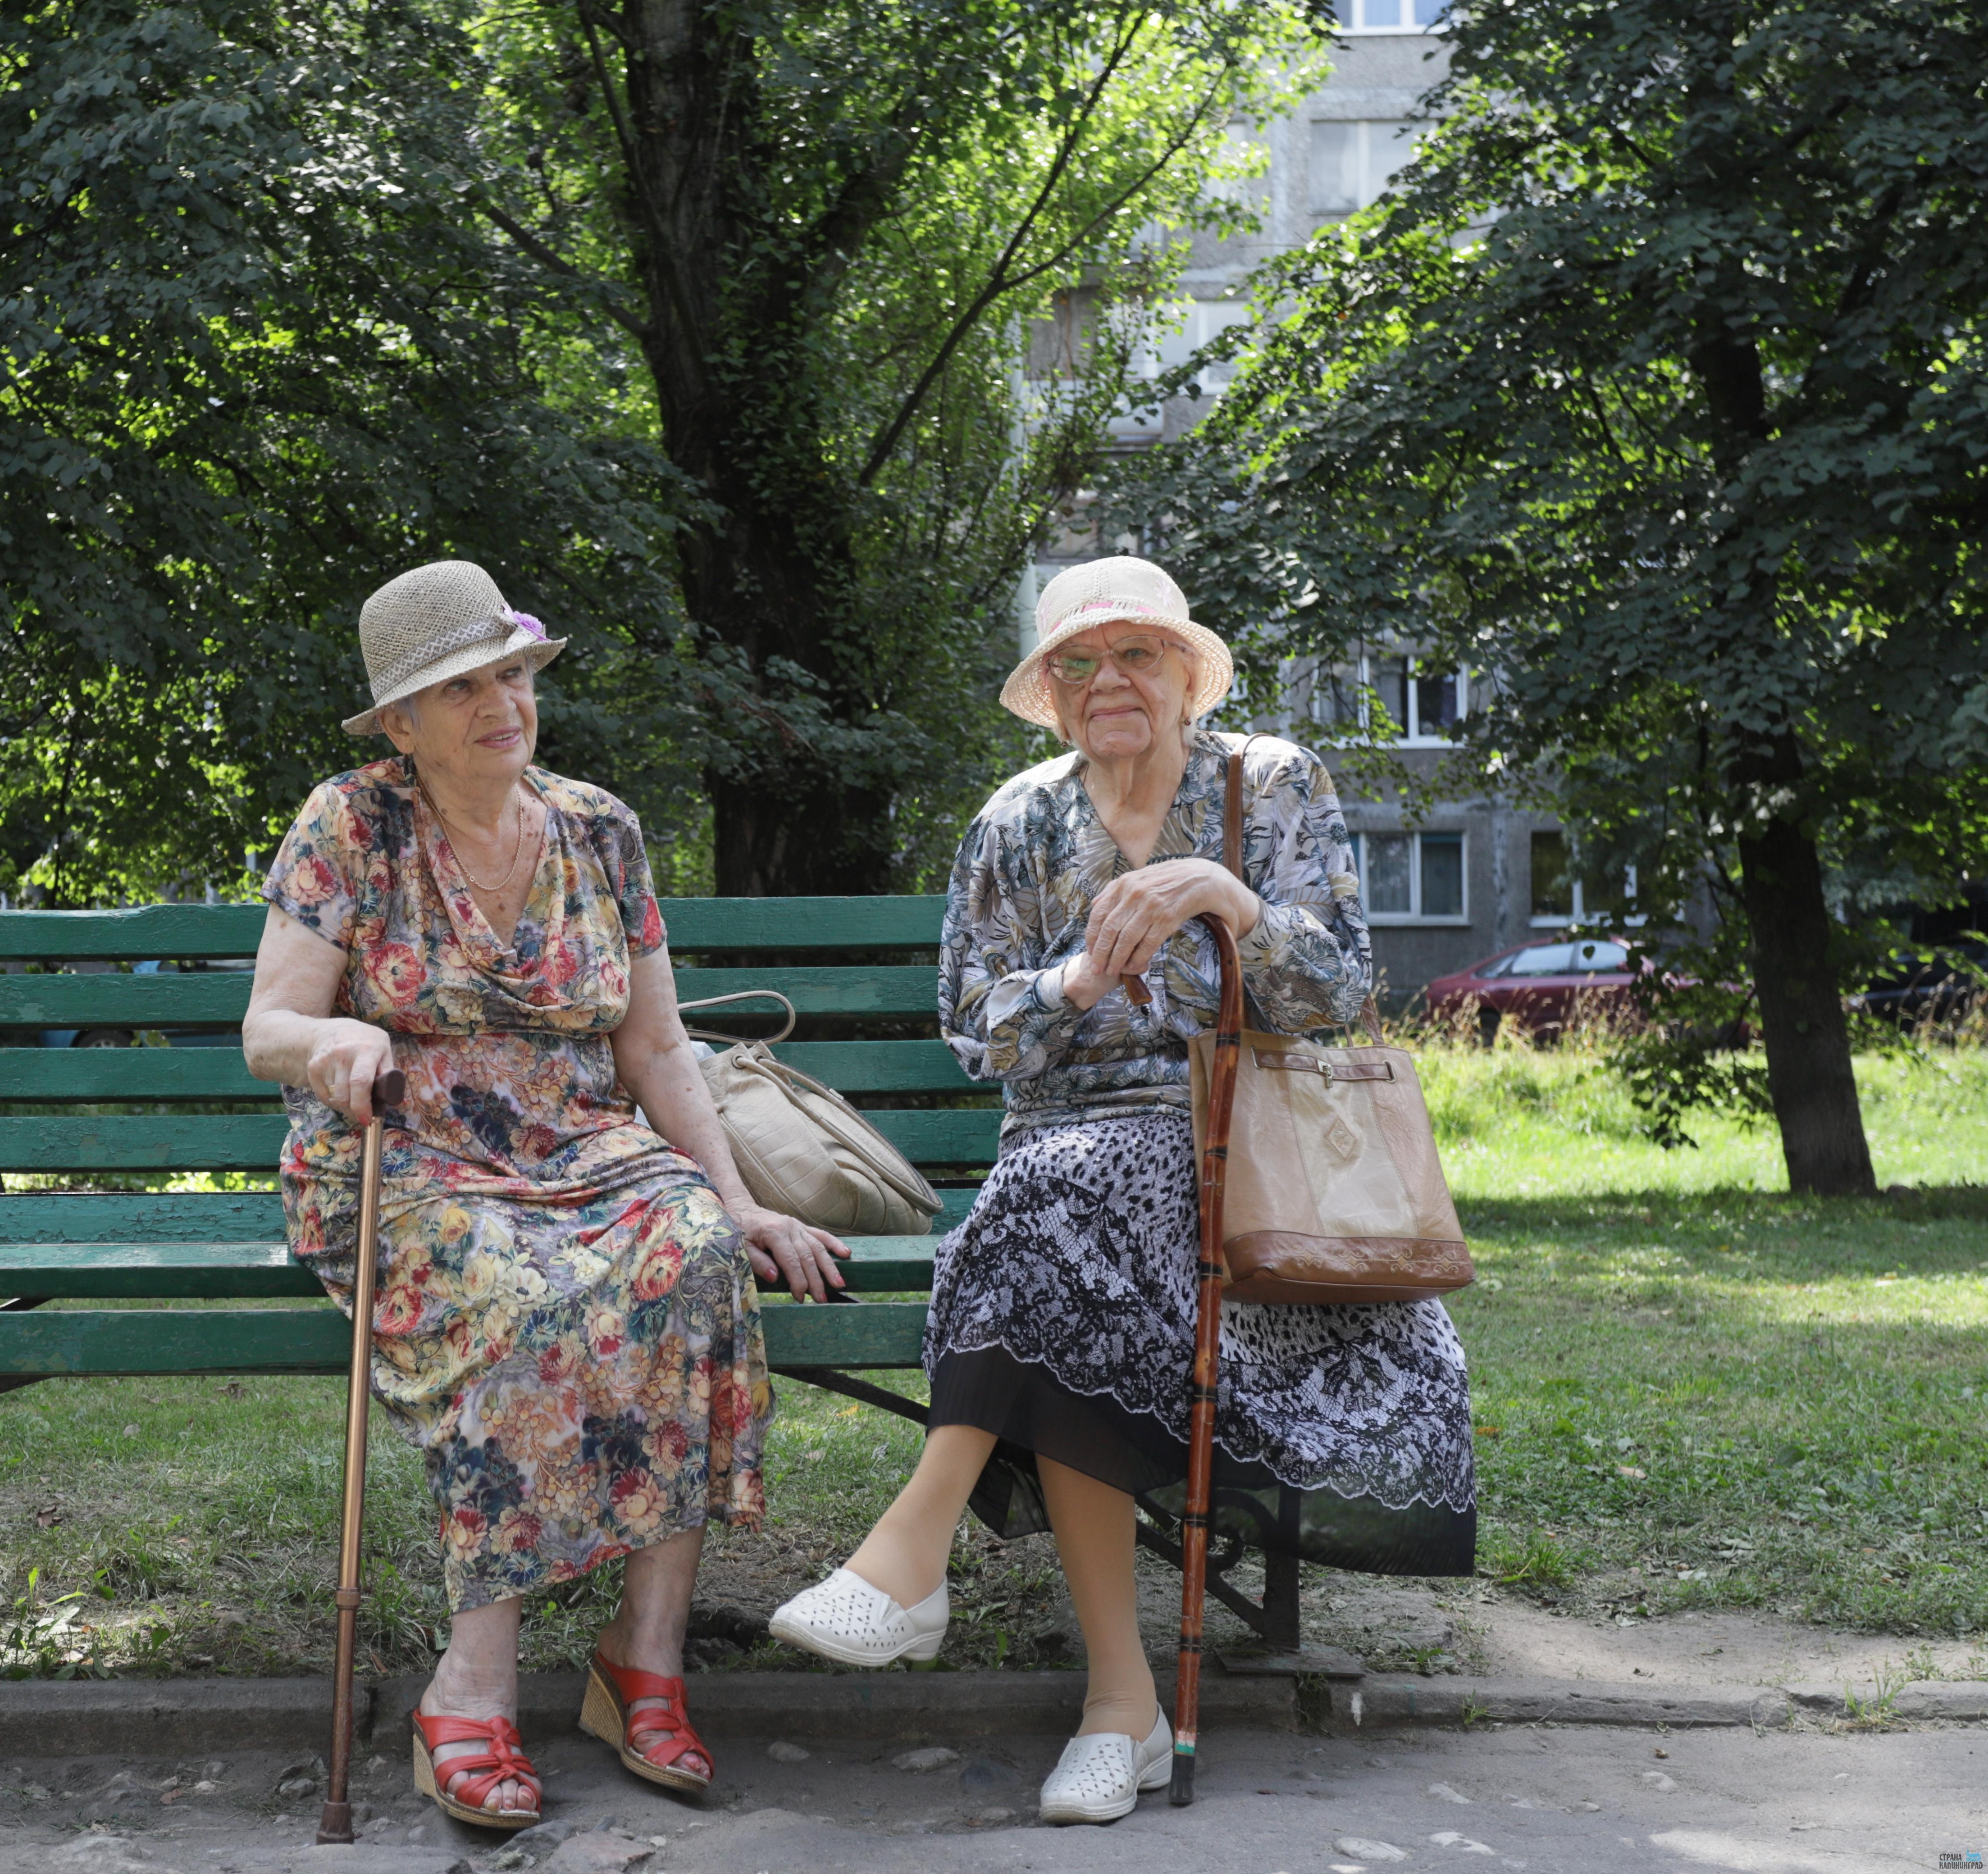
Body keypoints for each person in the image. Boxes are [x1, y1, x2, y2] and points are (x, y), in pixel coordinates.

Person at [767, 557, 1475, 1825]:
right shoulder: (1018, 824)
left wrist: (1225, 895)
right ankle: (1115, 1702)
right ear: (1048, 691)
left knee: (1040, 1232)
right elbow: (975, 1031)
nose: (1109, 683)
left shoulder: (1275, 786)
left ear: (1186, 673)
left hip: (1243, 1153)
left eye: (1136, 654)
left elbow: (1339, 990)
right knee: (1057, 1228)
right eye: (1078, 664)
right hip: (1068, 1145)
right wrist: (1070, 986)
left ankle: (967, 1597)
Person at [243, 560, 852, 1832]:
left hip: (580, 1145)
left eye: (511, 673)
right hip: (410, 1156)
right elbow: (269, 1025)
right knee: (522, 1295)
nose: (499, 703)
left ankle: (646, 1657)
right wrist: (331, 1047)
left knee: (692, 1262)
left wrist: (733, 1201)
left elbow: (658, 1050)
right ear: (401, 722)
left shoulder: (601, 828)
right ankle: (471, 1690)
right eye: (460, 686)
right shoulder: (351, 824)